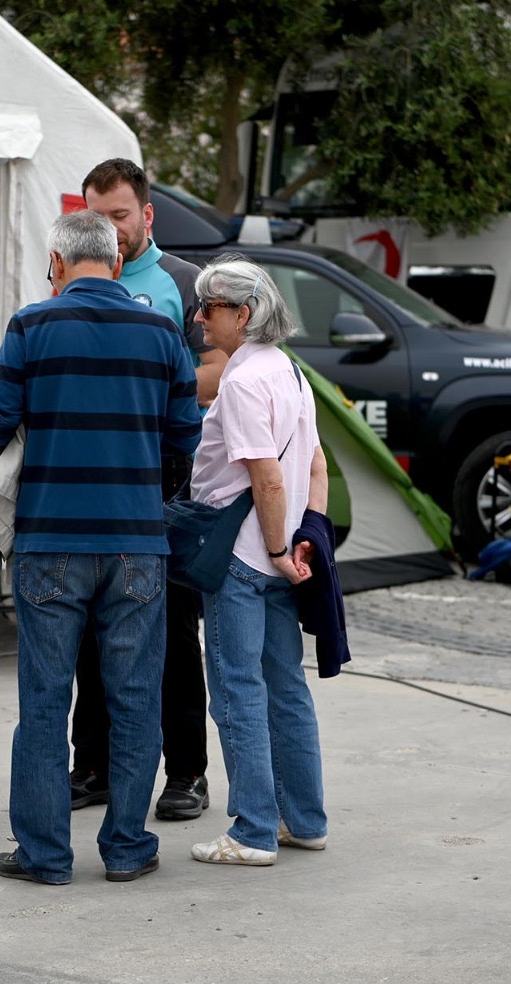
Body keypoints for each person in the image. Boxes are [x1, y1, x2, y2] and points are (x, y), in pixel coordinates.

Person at [0, 209, 201, 885]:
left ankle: (44, 855)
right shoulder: (162, 331)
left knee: (45, 701)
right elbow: (186, 434)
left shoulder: (32, 326)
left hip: (52, 541)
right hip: (138, 544)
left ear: (58, 262)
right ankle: (128, 848)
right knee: (135, 699)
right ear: (116, 255)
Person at [68, 158, 223, 822]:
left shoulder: (182, 282)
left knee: (171, 634)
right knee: (91, 635)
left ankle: (186, 773)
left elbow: (220, 364)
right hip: (91, 484)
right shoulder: (74, 278)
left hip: (166, 484)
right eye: (96, 215)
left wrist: (149, 396)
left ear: (147, 216)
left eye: (120, 215)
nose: (109, 228)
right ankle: (93, 766)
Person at [186, 256, 330, 867]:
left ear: (243, 315)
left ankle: (251, 832)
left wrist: (274, 546)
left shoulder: (241, 382)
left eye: (209, 308)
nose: (199, 317)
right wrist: (304, 540)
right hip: (279, 555)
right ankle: (304, 819)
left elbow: (266, 477)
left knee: (237, 692)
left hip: (244, 558)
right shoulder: (290, 373)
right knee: (286, 688)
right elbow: (315, 466)